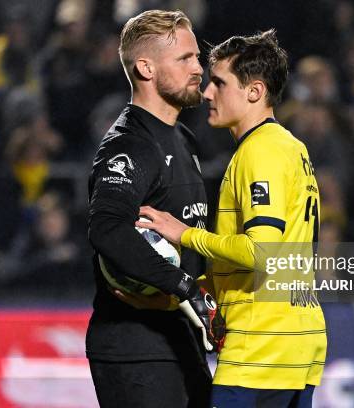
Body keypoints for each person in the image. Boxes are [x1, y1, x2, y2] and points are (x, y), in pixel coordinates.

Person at [137, 30, 327, 407]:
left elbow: (261, 251)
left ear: (254, 91)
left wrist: (185, 234)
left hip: (261, 346)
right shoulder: (290, 147)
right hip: (295, 339)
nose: (207, 93)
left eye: (219, 83)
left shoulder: (261, 153)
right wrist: (205, 287)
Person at [86, 10, 224, 408]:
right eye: (185, 59)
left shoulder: (182, 136)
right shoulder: (129, 145)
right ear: (145, 67)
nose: (198, 68)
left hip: (180, 339)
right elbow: (108, 227)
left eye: (196, 57)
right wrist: (185, 287)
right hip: (135, 348)